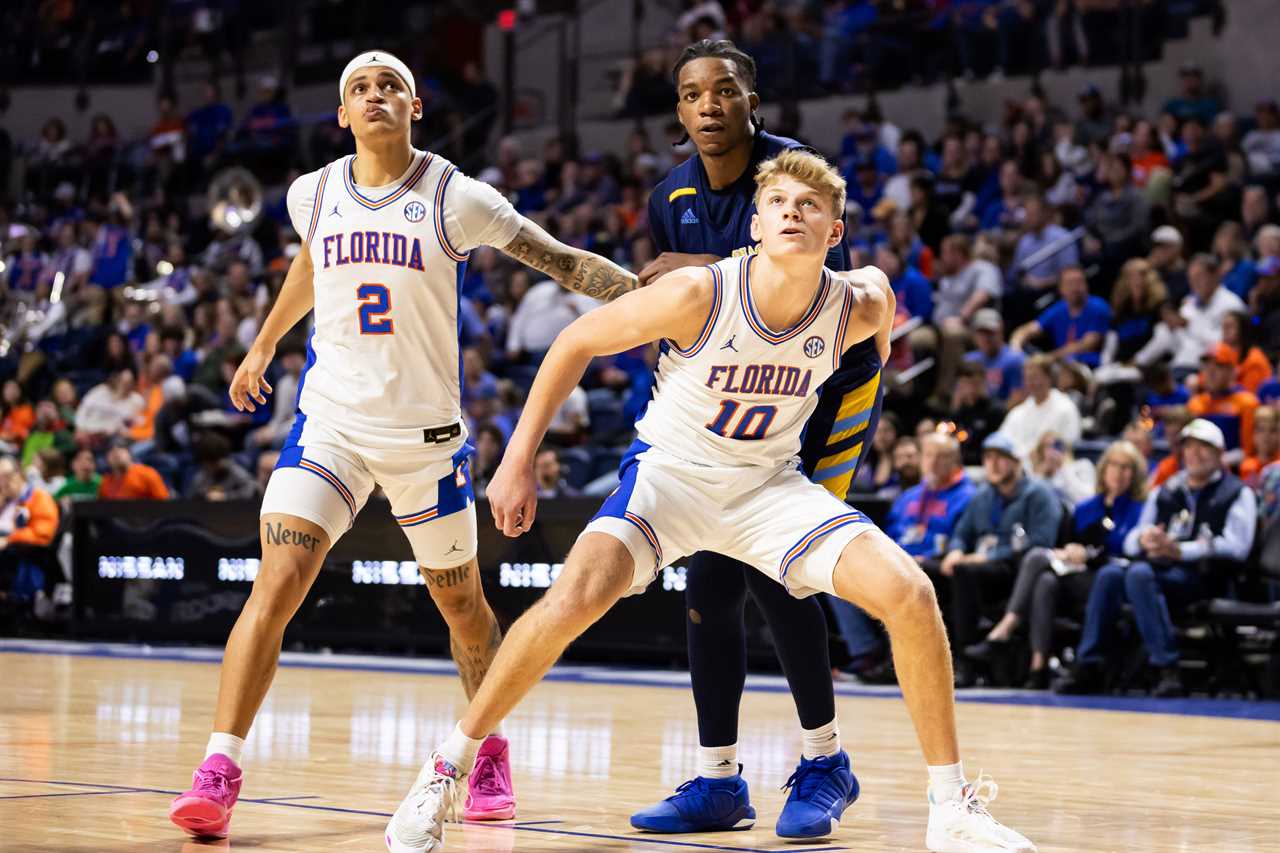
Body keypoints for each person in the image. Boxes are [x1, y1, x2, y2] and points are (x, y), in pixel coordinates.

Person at [387, 149, 1036, 853]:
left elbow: (871, 363)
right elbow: (575, 341)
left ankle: (951, 807)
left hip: (768, 485)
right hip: (672, 476)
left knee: (910, 592)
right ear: (754, 224)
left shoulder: (860, 302)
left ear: (835, 232)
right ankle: (444, 768)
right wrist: (516, 461)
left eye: (809, 206)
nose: (792, 212)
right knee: (573, 597)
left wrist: (841, 455)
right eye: (779, 203)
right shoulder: (700, 292)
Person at [168, 50, 640, 842]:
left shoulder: (456, 195)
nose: (375, 95)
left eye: (390, 85)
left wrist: (661, 297)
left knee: (462, 607)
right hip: (332, 427)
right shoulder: (310, 194)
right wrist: (260, 344)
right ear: (344, 115)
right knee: (276, 582)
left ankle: (485, 749)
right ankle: (217, 770)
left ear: (415, 106)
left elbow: (558, 261)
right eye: (360, 88)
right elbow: (310, 264)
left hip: (425, 443)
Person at [633, 39, 888, 839]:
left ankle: (825, 763)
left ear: (753, 101)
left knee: (780, 574)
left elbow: (808, 283)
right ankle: (719, 781)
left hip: (825, 394)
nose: (708, 104)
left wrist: (694, 266)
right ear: (677, 111)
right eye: (691, 93)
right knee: (707, 589)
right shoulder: (665, 194)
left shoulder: (795, 176)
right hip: (730, 407)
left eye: (725, 90)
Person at [1054, 420, 1256, 698]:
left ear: (1220, 454)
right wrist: (1145, 540)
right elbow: (1131, 538)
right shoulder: (1167, 490)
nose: (1195, 454)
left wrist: (1181, 551)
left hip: (1207, 576)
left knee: (1138, 574)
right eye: (1190, 447)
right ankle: (1089, 664)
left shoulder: (1237, 492)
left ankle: (1167, 667)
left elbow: (1237, 546)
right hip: (1162, 571)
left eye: (1204, 448)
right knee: (1110, 575)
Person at [965, 440, 1147, 689]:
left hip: (1108, 579)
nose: (1119, 472)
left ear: (1135, 475)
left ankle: (1005, 629)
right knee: (1045, 581)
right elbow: (1067, 541)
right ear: (1104, 469)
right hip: (1074, 574)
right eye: (1114, 465)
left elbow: (1129, 547)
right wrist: (1071, 551)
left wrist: (1089, 554)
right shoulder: (1086, 508)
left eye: (1127, 467)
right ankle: (1038, 667)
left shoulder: (1140, 509)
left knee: (1038, 557)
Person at [931, 432, 1062, 686]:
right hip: (980, 565)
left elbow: (1041, 543)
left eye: (1001, 458)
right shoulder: (983, 495)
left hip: (1017, 570)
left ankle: (966, 662)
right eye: (988, 457)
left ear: (1017, 462)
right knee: (928, 572)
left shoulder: (1039, 494)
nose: (993, 464)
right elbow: (961, 533)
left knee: (964, 573)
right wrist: (956, 550)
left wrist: (986, 557)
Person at [1009, 267, 1111, 368]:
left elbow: (1087, 344)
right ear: (1061, 289)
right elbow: (1028, 330)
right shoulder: (1059, 309)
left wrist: (1049, 357)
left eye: (1079, 282)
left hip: (1089, 366)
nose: (1076, 288)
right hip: (1062, 367)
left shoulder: (1098, 306)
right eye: (1070, 283)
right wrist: (1016, 347)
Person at [999, 355, 1082, 463]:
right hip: (1019, 469)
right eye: (1027, 378)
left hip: (1053, 469)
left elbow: (1069, 444)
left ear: (1049, 378)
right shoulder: (1018, 412)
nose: (1030, 383)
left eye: (1035, 377)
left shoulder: (1065, 408)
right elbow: (1001, 441)